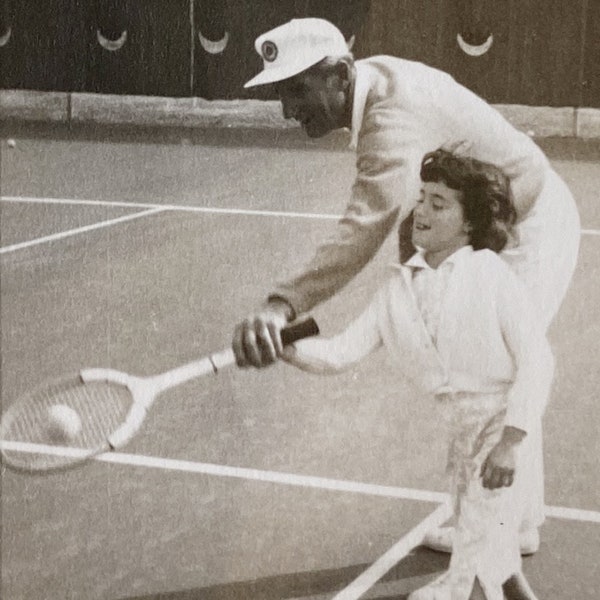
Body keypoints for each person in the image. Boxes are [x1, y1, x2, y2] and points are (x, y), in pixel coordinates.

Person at [234, 17, 580, 554]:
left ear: (339, 75)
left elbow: (367, 223)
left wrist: (281, 305)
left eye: (297, 90)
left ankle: (503, 528)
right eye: (280, 94)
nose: (287, 109)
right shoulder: (374, 84)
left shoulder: (393, 114)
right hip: (488, 229)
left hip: (532, 228)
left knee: (501, 369)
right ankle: (518, 520)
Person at [281, 149, 550, 600]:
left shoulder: (492, 275)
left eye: (439, 204)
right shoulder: (396, 290)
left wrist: (511, 441)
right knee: (494, 553)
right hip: (459, 436)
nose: (421, 211)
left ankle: (456, 589)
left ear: (469, 223)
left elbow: (538, 360)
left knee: (475, 555)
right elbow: (339, 354)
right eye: (422, 198)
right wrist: (285, 349)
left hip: (502, 427)